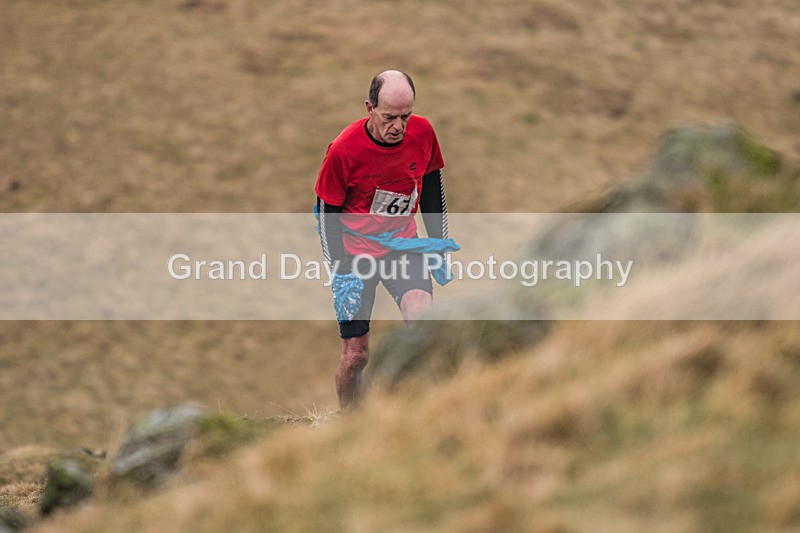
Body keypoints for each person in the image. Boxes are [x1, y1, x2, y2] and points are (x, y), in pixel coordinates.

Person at [315, 69, 454, 408]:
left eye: (405, 116)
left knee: (421, 327)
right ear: (370, 108)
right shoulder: (344, 151)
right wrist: (340, 271)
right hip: (355, 255)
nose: (399, 127)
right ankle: (350, 421)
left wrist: (437, 245)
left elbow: (433, 192)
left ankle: (420, 410)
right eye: (390, 117)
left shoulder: (423, 134)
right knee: (356, 356)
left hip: (402, 247)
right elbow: (326, 216)